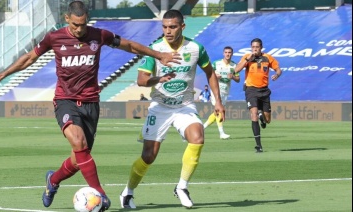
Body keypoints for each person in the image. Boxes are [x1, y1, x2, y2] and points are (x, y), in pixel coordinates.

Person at [0, 1, 180, 211]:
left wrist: (160, 55)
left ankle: (53, 180)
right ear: (67, 19)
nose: (80, 29)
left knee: (79, 159)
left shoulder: (99, 35)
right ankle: (101, 195)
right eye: (75, 25)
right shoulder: (54, 38)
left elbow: (130, 46)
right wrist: (3, 74)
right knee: (78, 143)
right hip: (66, 101)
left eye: (83, 24)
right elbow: (29, 58)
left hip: (91, 104)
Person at [119, 9, 225, 209]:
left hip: (184, 106)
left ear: (182, 27)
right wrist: (159, 78)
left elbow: (210, 73)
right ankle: (128, 192)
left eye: (173, 27)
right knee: (148, 156)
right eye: (165, 27)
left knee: (198, 137)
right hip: (160, 107)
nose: (168, 31)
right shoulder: (155, 49)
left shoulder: (195, 48)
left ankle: (182, 187)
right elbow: (141, 81)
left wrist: (217, 102)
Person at [234, 38, 282, 153]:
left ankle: (262, 116)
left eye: (257, 47)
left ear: (261, 47)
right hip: (251, 90)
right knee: (253, 114)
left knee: (268, 120)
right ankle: (258, 145)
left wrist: (277, 75)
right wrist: (247, 60)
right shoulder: (247, 57)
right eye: (253, 47)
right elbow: (236, 70)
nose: (255, 49)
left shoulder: (268, 57)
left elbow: (278, 69)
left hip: (264, 91)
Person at [203, 46, 240, 139]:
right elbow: (209, 74)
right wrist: (215, 77)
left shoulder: (234, 65)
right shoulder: (217, 63)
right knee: (220, 110)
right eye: (226, 52)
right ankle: (221, 133)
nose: (228, 54)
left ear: (232, 54)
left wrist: (233, 77)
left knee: (216, 112)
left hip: (225, 90)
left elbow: (238, 79)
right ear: (223, 53)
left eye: (229, 52)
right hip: (216, 90)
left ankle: (201, 128)